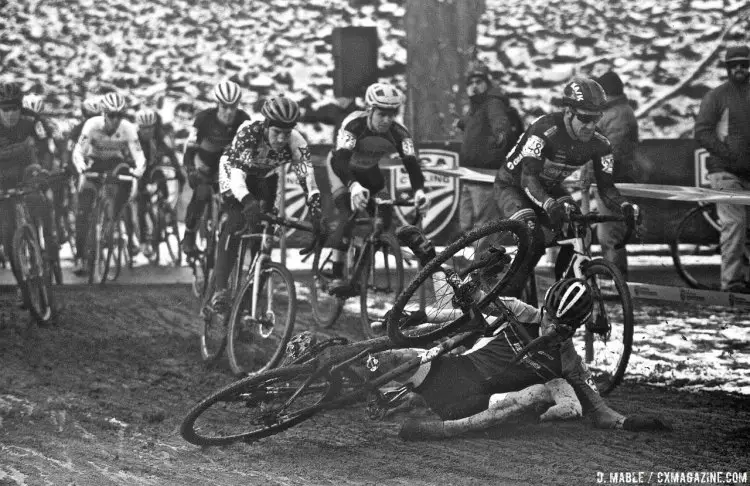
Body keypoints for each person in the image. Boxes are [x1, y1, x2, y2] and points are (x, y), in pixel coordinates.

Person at [362, 227, 672, 440]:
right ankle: (344, 376)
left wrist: (628, 422)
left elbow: (600, 412)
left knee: (538, 393)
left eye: (559, 325)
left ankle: (444, 429)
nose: (548, 325)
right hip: (451, 374)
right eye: (548, 315)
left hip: (481, 404)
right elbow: (473, 306)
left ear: (573, 329)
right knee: (396, 355)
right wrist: (470, 279)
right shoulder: (523, 312)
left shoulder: (570, 365)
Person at [493, 77, 642, 296]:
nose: (590, 126)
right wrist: (549, 203)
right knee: (532, 238)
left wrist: (625, 206)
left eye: (596, 119)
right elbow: (527, 178)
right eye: (584, 118)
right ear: (568, 113)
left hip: (547, 186)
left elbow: (607, 188)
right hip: (513, 185)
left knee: (578, 231)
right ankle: (510, 300)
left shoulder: (600, 144)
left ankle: (563, 294)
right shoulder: (544, 129)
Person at [209, 96, 321, 315]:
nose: (281, 138)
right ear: (266, 125)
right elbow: (238, 177)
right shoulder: (249, 132)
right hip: (234, 174)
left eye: (286, 133)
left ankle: (248, 304)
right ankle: (220, 290)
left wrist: (317, 212)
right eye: (276, 132)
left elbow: (308, 179)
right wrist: (248, 202)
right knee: (236, 220)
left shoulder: (297, 142)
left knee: (265, 239)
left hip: (265, 178)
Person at [325, 82, 429, 293]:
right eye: (382, 114)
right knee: (348, 211)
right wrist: (353, 186)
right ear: (370, 110)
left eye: (392, 114)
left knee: (383, 218)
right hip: (341, 169)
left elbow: (412, 165)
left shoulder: (399, 133)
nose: (387, 120)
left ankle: (360, 270)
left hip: (369, 171)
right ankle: (336, 273)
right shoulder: (354, 124)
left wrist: (419, 191)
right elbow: (340, 162)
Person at [694, 45, 750, 293]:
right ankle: (732, 284)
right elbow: (702, 132)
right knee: (735, 224)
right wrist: (729, 156)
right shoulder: (716, 97)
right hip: (725, 173)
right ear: (727, 68)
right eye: (734, 64)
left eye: (744, 64)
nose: (740, 68)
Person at [71, 91, 146, 275]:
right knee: (83, 210)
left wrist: (138, 170)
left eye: (119, 116)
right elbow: (78, 151)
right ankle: (80, 257)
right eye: (111, 115)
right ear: (103, 114)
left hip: (115, 162)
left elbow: (139, 155)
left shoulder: (128, 128)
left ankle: (113, 219)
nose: (115, 120)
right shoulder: (91, 125)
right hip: (93, 161)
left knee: (126, 173)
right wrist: (81, 167)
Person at [181, 80, 252, 255]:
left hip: (228, 169)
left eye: (233, 107)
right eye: (224, 106)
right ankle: (189, 236)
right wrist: (190, 170)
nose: (229, 111)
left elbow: (250, 152)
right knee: (202, 193)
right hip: (205, 166)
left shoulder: (244, 120)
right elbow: (189, 149)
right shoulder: (204, 119)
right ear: (217, 104)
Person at [457, 61, 521, 249]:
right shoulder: (475, 106)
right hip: (469, 174)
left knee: (484, 228)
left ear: (487, 83)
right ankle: (474, 268)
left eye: (478, 81)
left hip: (485, 175)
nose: (474, 86)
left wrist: (500, 135)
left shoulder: (493, 102)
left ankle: (485, 271)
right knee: (467, 225)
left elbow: (500, 123)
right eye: (470, 82)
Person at [0, 82, 59, 289]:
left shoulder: (33, 121)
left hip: (28, 172)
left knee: (40, 207)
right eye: (5, 109)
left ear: (21, 106)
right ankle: (22, 284)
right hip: (2, 178)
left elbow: (46, 150)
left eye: (14, 108)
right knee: (7, 236)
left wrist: (44, 171)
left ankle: (48, 251)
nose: (10, 114)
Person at [587, 70, 640, 280]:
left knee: (610, 234)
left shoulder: (617, 115)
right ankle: (614, 278)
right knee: (608, 234)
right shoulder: (616, 113)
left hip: (612, 182)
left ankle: (615, 280)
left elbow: (612, 152)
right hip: (610, 180)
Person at [135, 107, 183, 258]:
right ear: (139, 127)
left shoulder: (159, 136)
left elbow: (171, 154)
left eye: (151, 128)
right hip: (140, 171)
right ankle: (143, 239)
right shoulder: (135, 139)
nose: (147, 131)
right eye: (144, 128)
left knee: (162, 181)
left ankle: (166, 211)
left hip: (154, 169)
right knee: (142, 201)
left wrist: (179, 172)